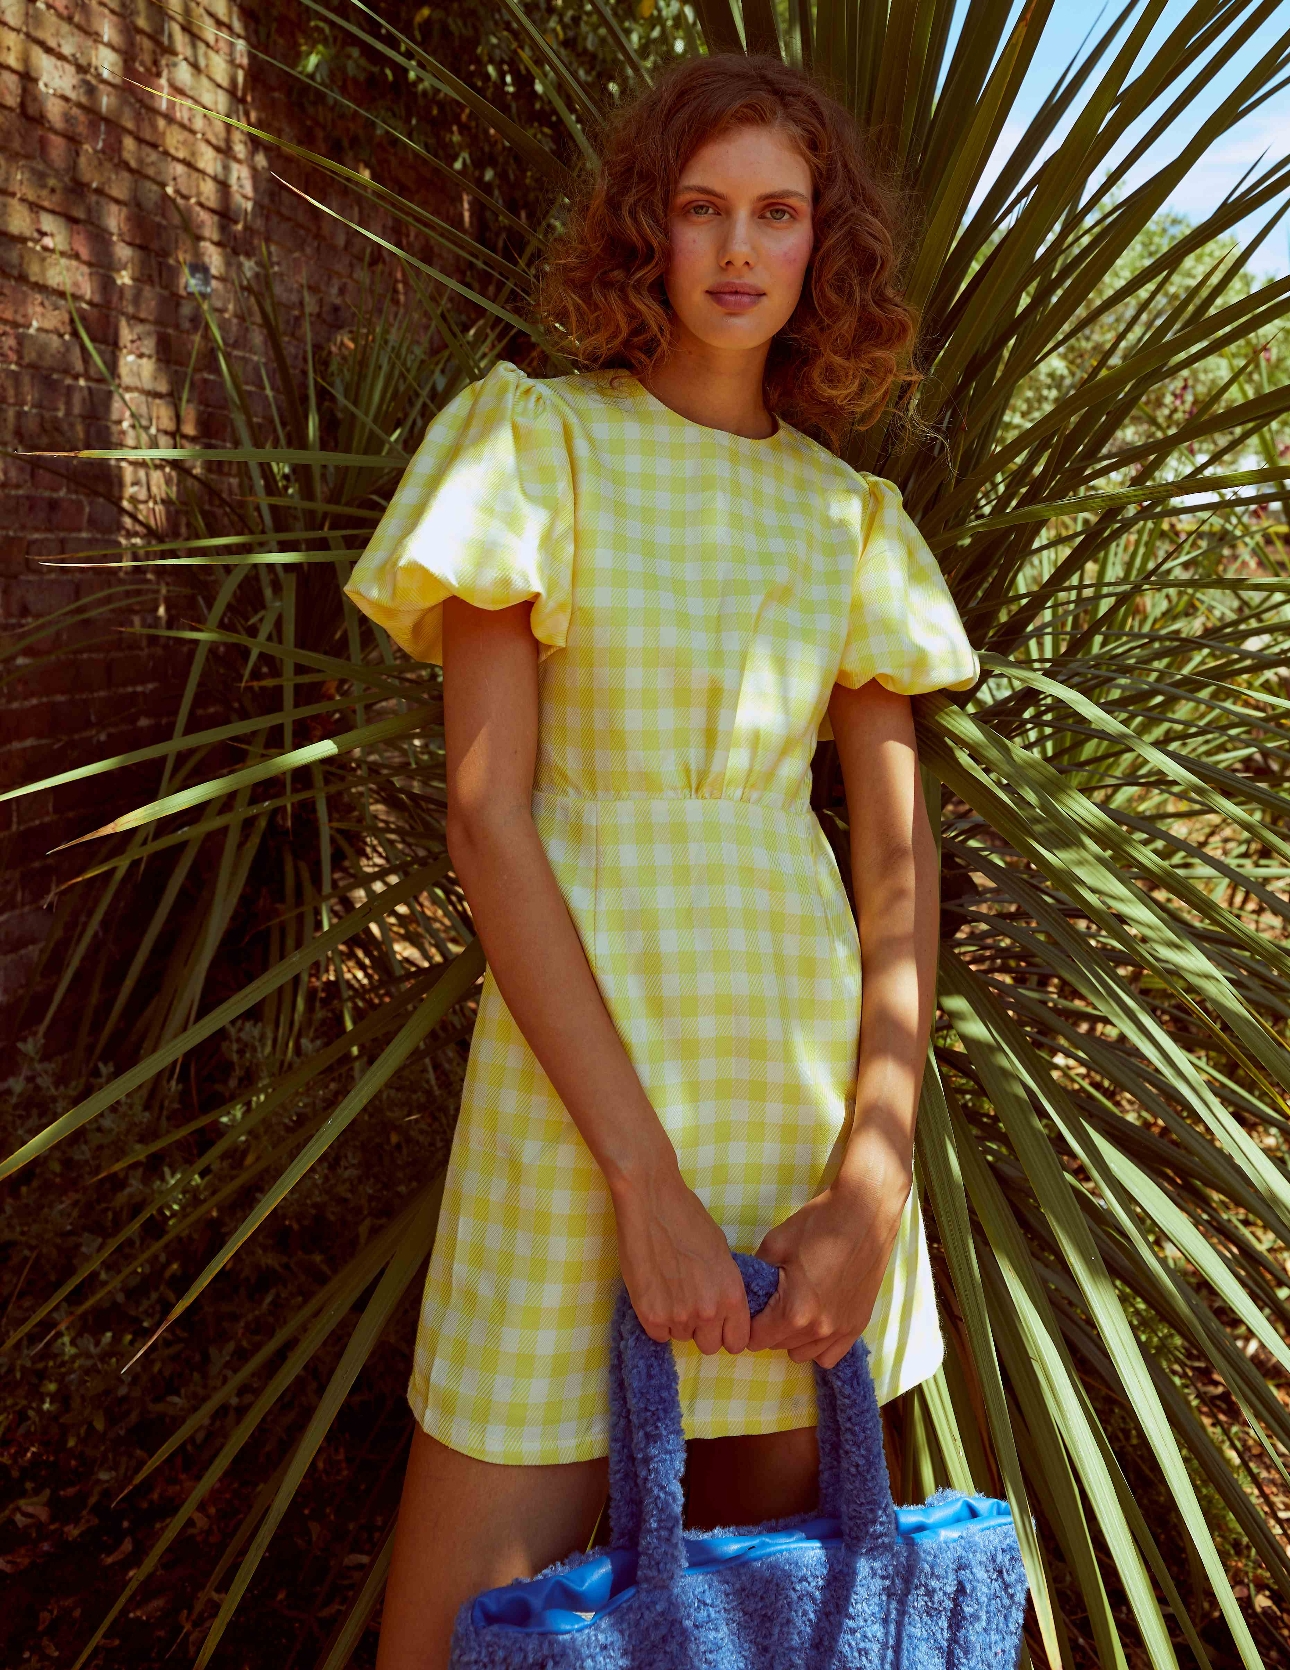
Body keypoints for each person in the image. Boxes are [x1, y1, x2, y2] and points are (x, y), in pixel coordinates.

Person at [343, 52, 978, 1670]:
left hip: (789, 1139)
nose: (738, 248)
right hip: (578, 1125)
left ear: (820, 243)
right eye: (701, 207)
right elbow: (487, 819)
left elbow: (901, 886)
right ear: (648, 229)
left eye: (779, 210)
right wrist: (641, 1183)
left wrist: (866, 1187)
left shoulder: (853, 524)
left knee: (760, 1627)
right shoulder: (531, 445)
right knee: (440, 1638)